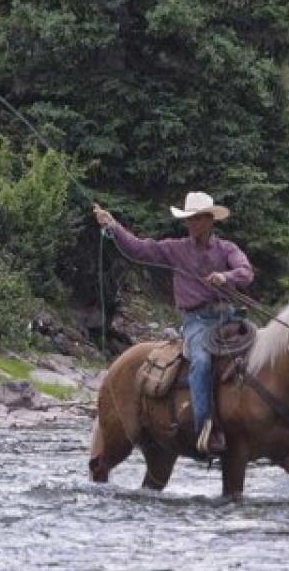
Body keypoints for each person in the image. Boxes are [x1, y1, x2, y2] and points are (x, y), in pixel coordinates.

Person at [92, 192, 254, 455]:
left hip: (230, 318)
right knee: (201, 361)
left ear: (210, 220)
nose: (192, 224)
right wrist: (113, 225)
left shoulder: (227, 249)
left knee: (264, 354)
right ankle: (205, 429)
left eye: (198, 219)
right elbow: (138, 248)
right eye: (189, 219)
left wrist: (226, 277)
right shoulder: (174, 249)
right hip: (197, 322)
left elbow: (245, 273)